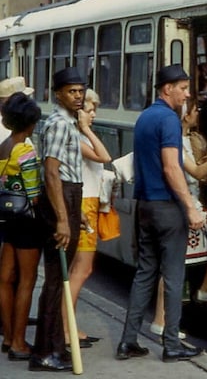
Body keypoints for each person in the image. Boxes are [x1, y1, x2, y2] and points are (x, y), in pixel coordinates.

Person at [116, 64, 202, 363]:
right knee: (175, 276)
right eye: (183, 88)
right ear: (168, 89)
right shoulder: (168, 119)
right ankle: (172, 344)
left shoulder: (145, 117)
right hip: (167, 206)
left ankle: (128, 341)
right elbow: (171, 166)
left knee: (144, 273)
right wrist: (190, 206)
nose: (187, 94)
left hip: (145, 206)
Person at [151, 99, 207, 333]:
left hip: (187, 205)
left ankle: (166, 318)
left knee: (179, 263)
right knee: (177, 264)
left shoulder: (182, 140)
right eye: (195, 111)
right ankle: (162, 320)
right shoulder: (176, 142)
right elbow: (197, 171)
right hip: (186, 207)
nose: (198, 115)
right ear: (186, 116)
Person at [29, 67, 86, 373]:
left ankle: (52, 348)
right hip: (61, 198)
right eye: (72, 91)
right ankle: (45, 351)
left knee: (56, 278)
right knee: (55, 278)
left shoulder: (68, 122)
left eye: (81, 91)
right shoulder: (60, 124)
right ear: (58, 94)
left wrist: (78, 215)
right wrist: (64, 219)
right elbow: (52, 172)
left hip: (69, 197)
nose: (78, 96)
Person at [62, 89, 111, 347]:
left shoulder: (81, 136)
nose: (93, 115)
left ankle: (69, 325)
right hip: (84, 204)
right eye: (89, 111)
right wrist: (87, 129)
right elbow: (105, 157)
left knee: (79, 270)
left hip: (89, 201)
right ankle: (65, 328)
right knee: (81, 269)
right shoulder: (78, 137)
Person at [0, 92, 43, 362]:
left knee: (5, 278)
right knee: (27, 280)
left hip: (6, 218)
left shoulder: (3, 145)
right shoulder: (24, 149)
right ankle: (19, 342)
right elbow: (34, 194)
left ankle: (6, 336)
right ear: (28, 123)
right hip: (27, 220)